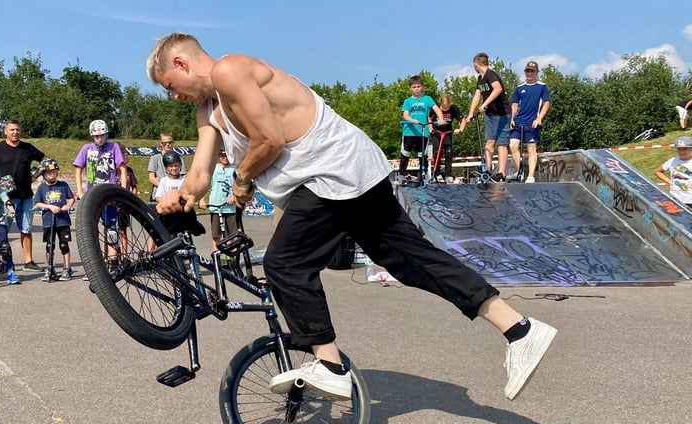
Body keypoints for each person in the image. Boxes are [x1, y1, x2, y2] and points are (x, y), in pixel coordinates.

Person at [146, 33, 557, 402]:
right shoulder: (208, 110)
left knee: (284, 263)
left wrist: (241, 179)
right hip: (353, 174)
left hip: (331, 171)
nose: (174, 96)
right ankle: (519, 329)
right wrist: (181, 196)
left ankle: (330, 365)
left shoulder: (230, 69)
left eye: (170, 86)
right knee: (410, 260)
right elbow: (199, 173)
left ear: (181, 64)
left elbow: (269, 140)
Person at [0, 119, 45, 271]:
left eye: (17, 130)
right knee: (1, 231)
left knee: (26, 229)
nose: (15, 132)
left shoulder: (28, 148)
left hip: (25, 196)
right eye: (12, 130)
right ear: (6, 131)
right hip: (4, 198)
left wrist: (36, 175)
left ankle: (28, 261)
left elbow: (46, 160)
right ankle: (1, 262)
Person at [460, 53, 510, 182]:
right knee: (489, 142)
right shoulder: (480, 79)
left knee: (501, 144)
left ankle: (501, 173)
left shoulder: (491, 74)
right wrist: (470, 113)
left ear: (476, 64)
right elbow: (477, 96)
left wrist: (485, 103)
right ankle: (487, 170)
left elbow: (498, 89)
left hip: (502, 113)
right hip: (490, 115)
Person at [33, 158, 76, 281]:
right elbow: (37, 203)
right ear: (44, 175)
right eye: (49, 173)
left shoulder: (63, 185)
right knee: (49, 245)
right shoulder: (42, 188)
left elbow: (71, 198)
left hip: (62, 220)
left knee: (64, 245)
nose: (52, 174)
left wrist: (67, 206)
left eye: (54, 172)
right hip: (48, 220)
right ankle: (49, 268)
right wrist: (50, 207)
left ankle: (67, 268)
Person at [509, 61, 551, 183]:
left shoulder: (542, 86)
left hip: (531, 123)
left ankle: (531, 176)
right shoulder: (519, 88)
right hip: (518, 121)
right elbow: (515, 105)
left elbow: (546, 103)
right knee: (513, 145)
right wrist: (511, 118)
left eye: (532, 71)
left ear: (537, 72)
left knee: (531, 149)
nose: (529, 73)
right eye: (527, 71)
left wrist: (539, 118)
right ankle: (519, 171)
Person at [399, 76, 443, 184]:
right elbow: (405, 115)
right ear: (410, 88)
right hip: (409, 131)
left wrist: (441, 118)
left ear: (422, 87)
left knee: (423, 155)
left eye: (418, 86)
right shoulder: (408, 101)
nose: (416, 89)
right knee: (405, 154)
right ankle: (400, 176)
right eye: (414, 87)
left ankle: (423, 176)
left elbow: (437, 109)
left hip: (423, 131)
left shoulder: (427, 99)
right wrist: (411, 120)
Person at [73, 119, 128, 198]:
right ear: (92, 136)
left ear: (106, 134)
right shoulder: (86, 148)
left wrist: (123, 190)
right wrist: (80, 191)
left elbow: (123, 168)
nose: (100, 139)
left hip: (110, 192)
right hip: (91, 193)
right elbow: (78, 170)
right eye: (97, 136)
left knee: (111, 209)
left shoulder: (114, 146)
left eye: (102, 135)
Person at [199, 149, 240, 251]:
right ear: (218, 156)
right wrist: (202, 200)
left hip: (230, 207)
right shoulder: (213, 169)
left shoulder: (235, 169)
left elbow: (240, 186)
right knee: (216, 235)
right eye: (222, 155)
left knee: (231, 235)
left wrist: (234, 197)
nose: (224, 157)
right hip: (215, 206)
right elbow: (205, 185)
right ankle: (216, 257)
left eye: (226, 155)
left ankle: (230, 257)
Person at [429, 94, 463, 182]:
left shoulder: (453, 108)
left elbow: (462, 119)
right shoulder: (435, 107)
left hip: (447, 132)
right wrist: (431, 128)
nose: (445, 108)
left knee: (448, 153)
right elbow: (429, 117)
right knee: (437, 152)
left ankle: (448, 174)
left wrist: (460, 129)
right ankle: (437, 173)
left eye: (447, 106)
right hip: (436, 132)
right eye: (444, 107)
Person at [654, 136, 692, 208]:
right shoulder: (673, 161)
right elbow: (658, 172)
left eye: (685, 149)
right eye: (679, 149)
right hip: (675, 199)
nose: (682, 152)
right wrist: (669, 181)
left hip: (690, 200)